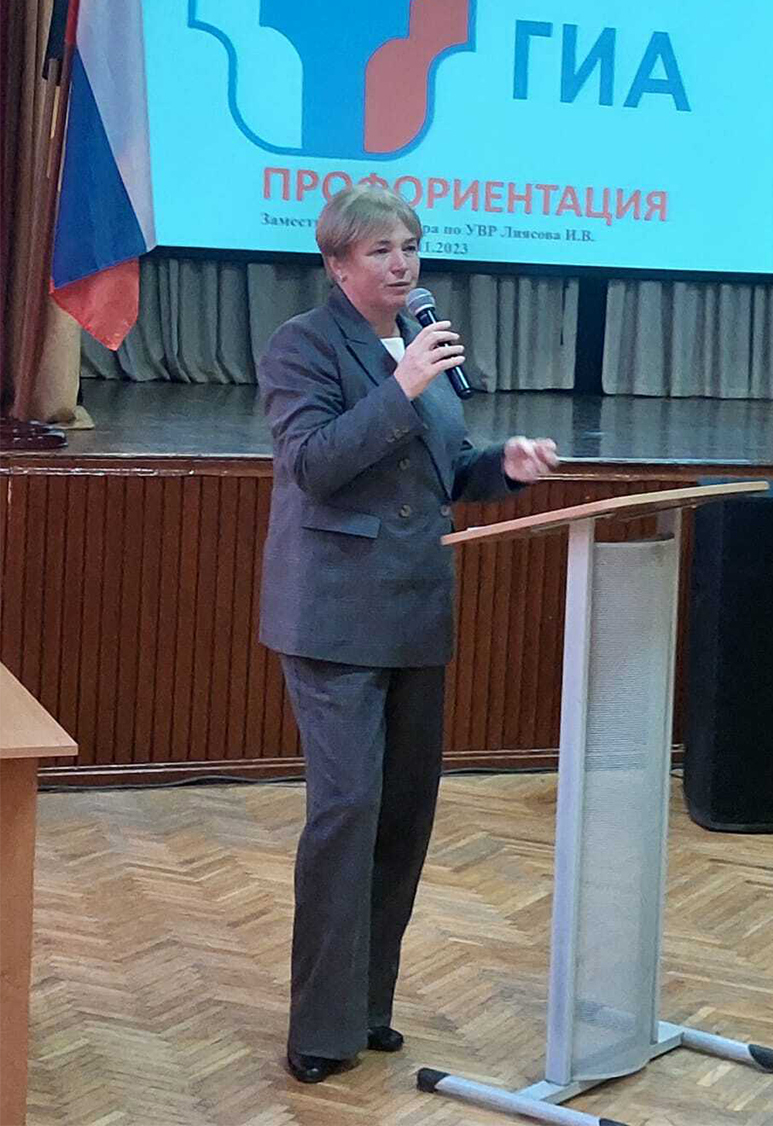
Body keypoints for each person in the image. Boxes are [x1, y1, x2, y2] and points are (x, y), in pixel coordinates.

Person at [257, 184, 558, 1084]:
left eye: (411, 246)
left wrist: (502, 465)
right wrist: (403, 384)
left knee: (401, 815)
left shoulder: (419, 347)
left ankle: (368, 1004)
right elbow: (314, 465)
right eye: (381, 249)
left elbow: (440, 470)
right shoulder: (304, 345)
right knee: (347, 811)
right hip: (335, 614)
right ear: (337, 264)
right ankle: (320, 1028)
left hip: (416, 609)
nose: (403, 264)